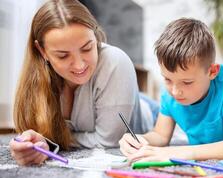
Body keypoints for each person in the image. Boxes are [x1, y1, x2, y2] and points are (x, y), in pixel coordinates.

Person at [9, 0, 157, 166]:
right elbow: (37, 133)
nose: (79, 65)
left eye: (87, 48)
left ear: (95, 35)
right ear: (42, 51)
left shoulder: (116, 61)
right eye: (63, 56)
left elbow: (109, 141)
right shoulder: (37, 76)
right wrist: (35, 142)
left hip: (148, 112)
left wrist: (53, 139)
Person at [119, 18, 223, 162]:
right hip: (212, 134)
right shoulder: (170, 94)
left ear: (212, 72)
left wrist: (179, 153)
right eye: (167, 79)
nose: (175, 91)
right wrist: (141, 139)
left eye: (187, 82)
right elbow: (160, 135)